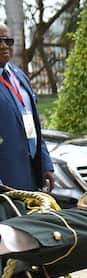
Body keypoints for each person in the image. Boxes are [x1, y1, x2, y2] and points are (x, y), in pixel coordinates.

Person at [0, 24, 53, 192]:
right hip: (6, 180)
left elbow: (35, 124)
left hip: (32, 175)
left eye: (8, 41)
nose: (4, 46)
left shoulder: (19, 75)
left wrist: (45, 164)